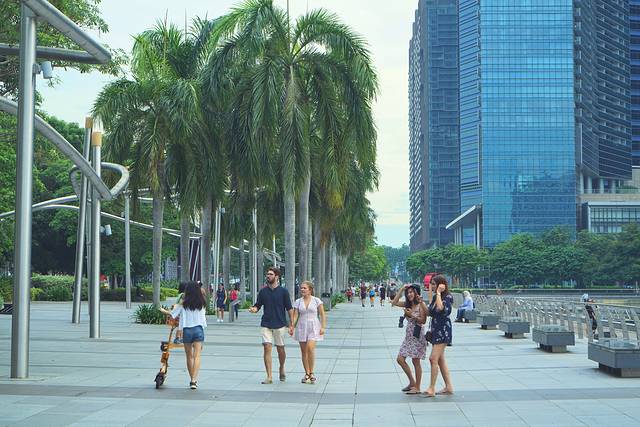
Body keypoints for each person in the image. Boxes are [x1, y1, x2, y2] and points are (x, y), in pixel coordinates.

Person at [249, 267, 294, 384]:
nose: (268, 276)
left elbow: (289, 309)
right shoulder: (263, 291)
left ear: (277, 277)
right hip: (266, 323)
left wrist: (292, 324)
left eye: (271, 274)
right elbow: (258, 305)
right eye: (267, 274)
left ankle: (281, 367)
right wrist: (254, 309)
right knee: (267, 347)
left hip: (280, 324)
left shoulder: (283, 292)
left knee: (280, 349)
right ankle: (269, 376)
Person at [159, 281, 207, 389]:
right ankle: (194, 380)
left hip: (187, 331)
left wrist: (162, 310)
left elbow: (172, 314)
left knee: (189, 356)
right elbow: (203, 318)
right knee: (197, 356)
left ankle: (192, 380)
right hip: (198, 330)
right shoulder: (202, 303)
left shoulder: (183, 304)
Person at [391, 283, 427, 395]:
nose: (409, 294)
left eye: (412, 292)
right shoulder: (408, 304)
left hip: (417, 336)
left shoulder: (421, 304)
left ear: (416, 293)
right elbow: (394, 302)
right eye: (408, 292)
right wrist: (402, 289)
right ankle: (412, 382)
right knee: (400, 359)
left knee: (415, 361)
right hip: (408, 337)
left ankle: (417, 387)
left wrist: (412, 315)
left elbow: (423, 320)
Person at [290, 281, 326, 384]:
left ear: (310, 290)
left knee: (310, 348)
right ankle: (307, 373)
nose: (302, 290)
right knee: (304, 351)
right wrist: (292, 326)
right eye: (301, 288)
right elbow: (295, 315)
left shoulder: (316, 300)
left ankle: (312, 372)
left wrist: (323, 327)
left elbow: (322, 314)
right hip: (302, 326)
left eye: (304, 288)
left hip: (313, 326)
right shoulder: (298, 301)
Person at [424, 275, 454, 397]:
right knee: (440, 360)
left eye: (434, 284)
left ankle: (432, 388)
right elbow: (430, 312)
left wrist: (438, 293)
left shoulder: (447, 297)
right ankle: (449, 387)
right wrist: (422, 302)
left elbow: (441, 308)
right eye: (431, 284)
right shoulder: (435, 297)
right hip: (436, 330)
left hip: (443, 331)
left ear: (441, 284)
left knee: (433, 358)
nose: (432, 286)